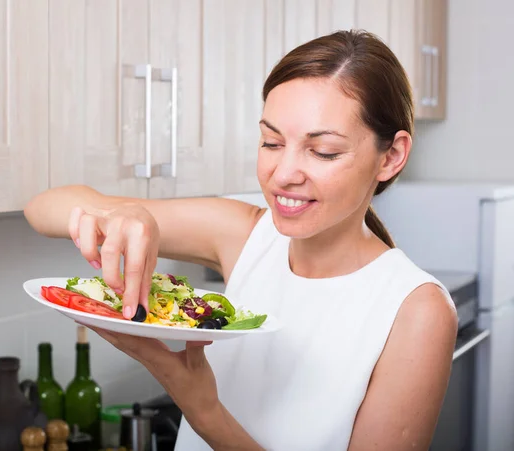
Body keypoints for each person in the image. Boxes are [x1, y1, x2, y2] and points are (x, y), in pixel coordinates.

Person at [24, 30, 458, 450]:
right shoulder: (245, 234)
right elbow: (44, 207)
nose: (283, 174)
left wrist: (203, 410)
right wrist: (119, 215)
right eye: (271, 142)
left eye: (322, 151)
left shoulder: (417, 311)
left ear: (392, 156)